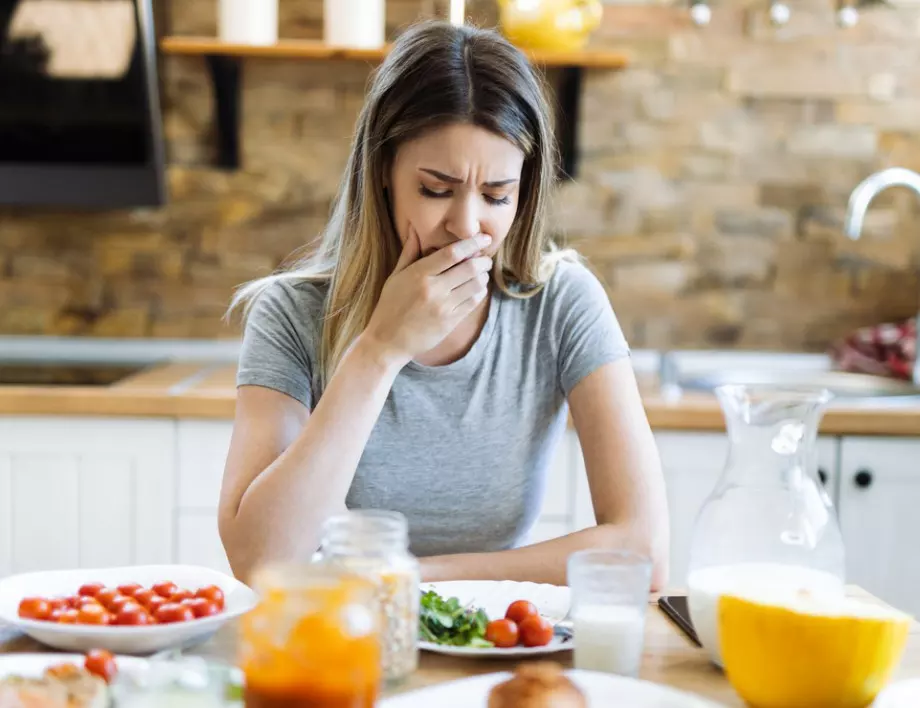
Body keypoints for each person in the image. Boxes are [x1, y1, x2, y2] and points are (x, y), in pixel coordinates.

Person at [218, 19, 669, 589]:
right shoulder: (289, 314)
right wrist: (379, 350)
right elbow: (260, 561)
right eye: (436, 190)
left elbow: (645, 551)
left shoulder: (561, 304)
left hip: (493, 642)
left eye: (497, 196)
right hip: (339, 643)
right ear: (384, 172)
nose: (466, 225)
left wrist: (410, 578)